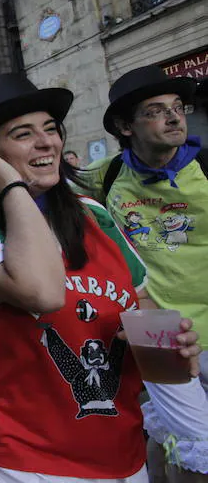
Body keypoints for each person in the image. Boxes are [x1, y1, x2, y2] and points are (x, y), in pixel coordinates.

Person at [0, 73, 202, 482]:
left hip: (118, 440)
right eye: (23, 134)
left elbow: (140, 301)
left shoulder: (93, 213)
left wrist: (172, 348)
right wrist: (12, 186)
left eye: (51, 129)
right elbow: (42, 294)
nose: (47, 143)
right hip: (22, 447)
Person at [85, 65, 208, 480]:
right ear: (125, 126)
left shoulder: (205, 166)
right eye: (157, 110)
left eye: (178, 107)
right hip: (154, 327)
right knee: (178, 442)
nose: (175, 117)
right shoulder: (109, 176)